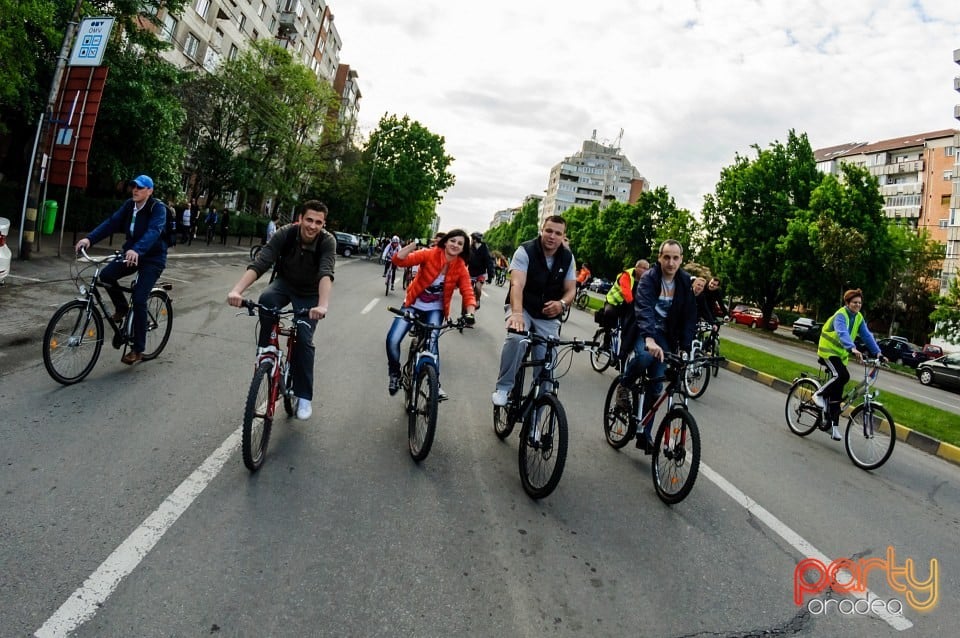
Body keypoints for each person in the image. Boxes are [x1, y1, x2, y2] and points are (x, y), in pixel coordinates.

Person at [226, 201, 336, 420]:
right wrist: (236, 291)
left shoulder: (327, 241)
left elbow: (326, 273)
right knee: (265, 300)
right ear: (300, 218)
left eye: (318, 222)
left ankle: (304, 395)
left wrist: (322, 305)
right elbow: (262, 262)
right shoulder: (286, 234)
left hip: (310, 293)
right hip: (285, 284)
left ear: (323, 224)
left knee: (304, 338)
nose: (313, 226)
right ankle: (265, 354)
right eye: (309, 220)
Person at [74, 175, 169, 366]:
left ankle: (138, 349)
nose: (135, 190)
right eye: (133, 186)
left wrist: (138, 249)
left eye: (140, 188)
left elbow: (154, 231)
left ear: (150, 191)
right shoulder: (129, 206)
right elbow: (111, 223)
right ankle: (122, 307)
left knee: (141, 299)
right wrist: (89, 239)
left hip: (152, 258)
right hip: (131, 254)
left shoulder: (157, 208)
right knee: (106, 275)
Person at [615, 240, 697, 452]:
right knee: (644, 357)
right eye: (666, 257)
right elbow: (643, 310)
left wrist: (686, 347)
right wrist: (649, 339)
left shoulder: (685, 282)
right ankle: (624, 384)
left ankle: (645, 433)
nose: (671, 262)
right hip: (644, 329)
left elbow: (689, 317)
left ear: (681, 259)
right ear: (659, 258)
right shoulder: (649, 279)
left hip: (666, 335)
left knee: (657, 384)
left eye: (675, 258)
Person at [492, 216, 576, 406]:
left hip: (548, 314)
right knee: (516, 338)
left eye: (558, 233)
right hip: (523, 307)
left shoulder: (567, 257)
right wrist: (517, 314)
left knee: (547, 366)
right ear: (541, 230)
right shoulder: (525, 250)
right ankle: (504, 388)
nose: (552, 236)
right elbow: (517, 284)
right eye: (549, 231)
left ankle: (536, 422)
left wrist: (562, 304)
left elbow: (571, 290)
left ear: (563, 236)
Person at [385, 229, 477, 399]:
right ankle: (395, 374)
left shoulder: (460, 267)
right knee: (392, 339)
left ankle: (436, 384)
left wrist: (470, 314)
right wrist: (415, 243)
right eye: (453, 241)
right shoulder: (430, 254)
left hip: (435, 308)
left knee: (432, 343)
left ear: (463, 248)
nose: (455, 245)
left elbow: (468, 292)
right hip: (413, 303)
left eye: (460, 243)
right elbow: (398, 260)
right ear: (446, 241)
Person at [812, 289, 885, 441]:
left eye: (859, 303)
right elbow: (842, 332)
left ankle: (833, 427)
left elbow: (866, 335)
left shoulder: (858, 317)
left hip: (840, 356)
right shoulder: (841, 315)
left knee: (838, 393)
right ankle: (818, 394)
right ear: (847, 303)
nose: (857, 305)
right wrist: (851, 348)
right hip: (827, 352)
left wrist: (878, 353)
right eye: (854, 302)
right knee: (843, 376)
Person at [599, 259, 649, 330]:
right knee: (609, 313)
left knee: (631, 325)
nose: (646, 271)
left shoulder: (646, 280)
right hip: (614, 302)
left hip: (627, 305)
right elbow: (627, 293)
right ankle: (607, 336)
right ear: (636, 267)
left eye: (648, 269)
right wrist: (634, 305)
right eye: (644, 268)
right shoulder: (626, 275)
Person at [467, 231, 495, 308]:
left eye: (472, 239)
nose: (471, 240)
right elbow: (465, 261)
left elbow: (489, 262)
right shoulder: (470, 248)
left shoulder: (484, 249)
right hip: (470, 273)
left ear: (475, 239)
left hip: (481, 273)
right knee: (467, 292)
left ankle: (477, 300)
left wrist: (490, 276)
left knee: (478, 288)